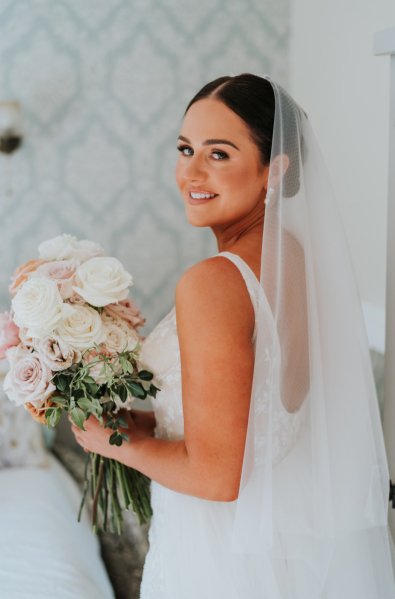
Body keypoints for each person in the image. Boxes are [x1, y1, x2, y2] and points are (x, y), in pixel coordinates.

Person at [71, 73, 395, 598]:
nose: (191, 172)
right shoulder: (293, 259)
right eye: (185, 148)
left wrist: (113, 442)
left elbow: (218, 478)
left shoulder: (214, 282)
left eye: (218, 154)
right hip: (280, 542)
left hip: (216, 554)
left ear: (274, 169)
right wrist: (156, 422)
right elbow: (261, 416)